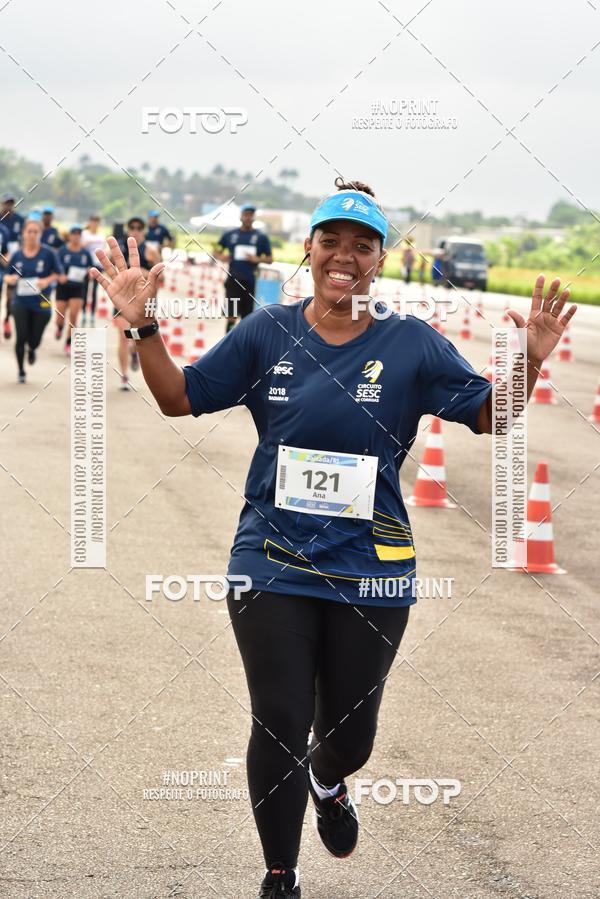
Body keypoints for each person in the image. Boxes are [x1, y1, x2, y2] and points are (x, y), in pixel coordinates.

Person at [89, 177, 575, 899]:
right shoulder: (266, 331)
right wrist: (143, 326)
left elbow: (490, 415)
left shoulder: (410, 342)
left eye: (362, 245)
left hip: (371, 569)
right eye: (331, 241)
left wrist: (528, 360)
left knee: (350, 738)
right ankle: (280, 875)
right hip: (270, 560)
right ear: (308, 251)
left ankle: (329, 775)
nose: (345, 256)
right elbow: (178, 396)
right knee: (280, 716)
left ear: (380, 259)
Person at [3, 217, 64, 383]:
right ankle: (21, 370)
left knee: (34, 339)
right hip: (20, 302)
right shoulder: (17, 255)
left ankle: (33, 348)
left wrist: (47, 280)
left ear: (40, 234)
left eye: (35, 232)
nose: (32, 235)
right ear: (23, 233)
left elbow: (58, 273)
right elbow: (7, 275)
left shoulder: (48, 253)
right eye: (29, 231)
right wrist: (9, 279)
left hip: (41, 302)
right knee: (21, 336)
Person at [110, 216, 160, 390]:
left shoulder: (150, 252)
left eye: (139, 228)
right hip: (123, 301)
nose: (135, 231)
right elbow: (107, 267)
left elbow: (161, 277)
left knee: (136, 340)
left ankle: (134, 352)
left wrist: (142, 273)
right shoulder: (120, 249)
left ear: (143, 231)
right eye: (132, 227)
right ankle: (124, 375)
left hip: (143, 303)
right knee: (123, 337)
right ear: (128, 230)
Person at [215, 203, 273, 333]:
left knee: (247, 318)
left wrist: (256, 259)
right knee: (231, 315)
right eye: (246, 214)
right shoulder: (230, 235)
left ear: (254, 217)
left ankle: (243, 342)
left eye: (251, 214)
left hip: (250, 281)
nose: (248, 217)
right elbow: (216, 251)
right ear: (241, 216)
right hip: (233, 280)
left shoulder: (261, 237)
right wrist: (221, 256)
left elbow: (270, 259)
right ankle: (228, 339)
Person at [55, 225, 93, 354]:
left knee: (74, 317)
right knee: (60, 317)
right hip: (63, 287)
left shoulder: (85, 253)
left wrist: (89, 273)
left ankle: (68, 343)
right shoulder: (62, 251)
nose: (76, 236)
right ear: (69, 235)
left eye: (79, 234)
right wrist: (60, 276)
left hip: (77, 288)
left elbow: (91, 268)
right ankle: (59, 327)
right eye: (74, 234)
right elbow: (55, 267)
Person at [1, 192, 25, 339]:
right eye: (6, 203)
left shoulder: (20, 220)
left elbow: (23, 240)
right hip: (2, 260)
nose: (8, 206)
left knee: (10, 297)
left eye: (11, 203)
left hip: (13, 261)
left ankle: (7, 320)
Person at [81, 215, 106, 326]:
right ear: (90, 222)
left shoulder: (101, 235)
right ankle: (84, 314)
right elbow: (80, 247)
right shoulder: (84, 234)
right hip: (86, 265)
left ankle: (92, 316)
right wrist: (89, 243)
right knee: (85, 291)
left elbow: (104, 250)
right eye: (93, 221)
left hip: (97, 265)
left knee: (95, 291)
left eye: (97, 222)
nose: (94, 224)